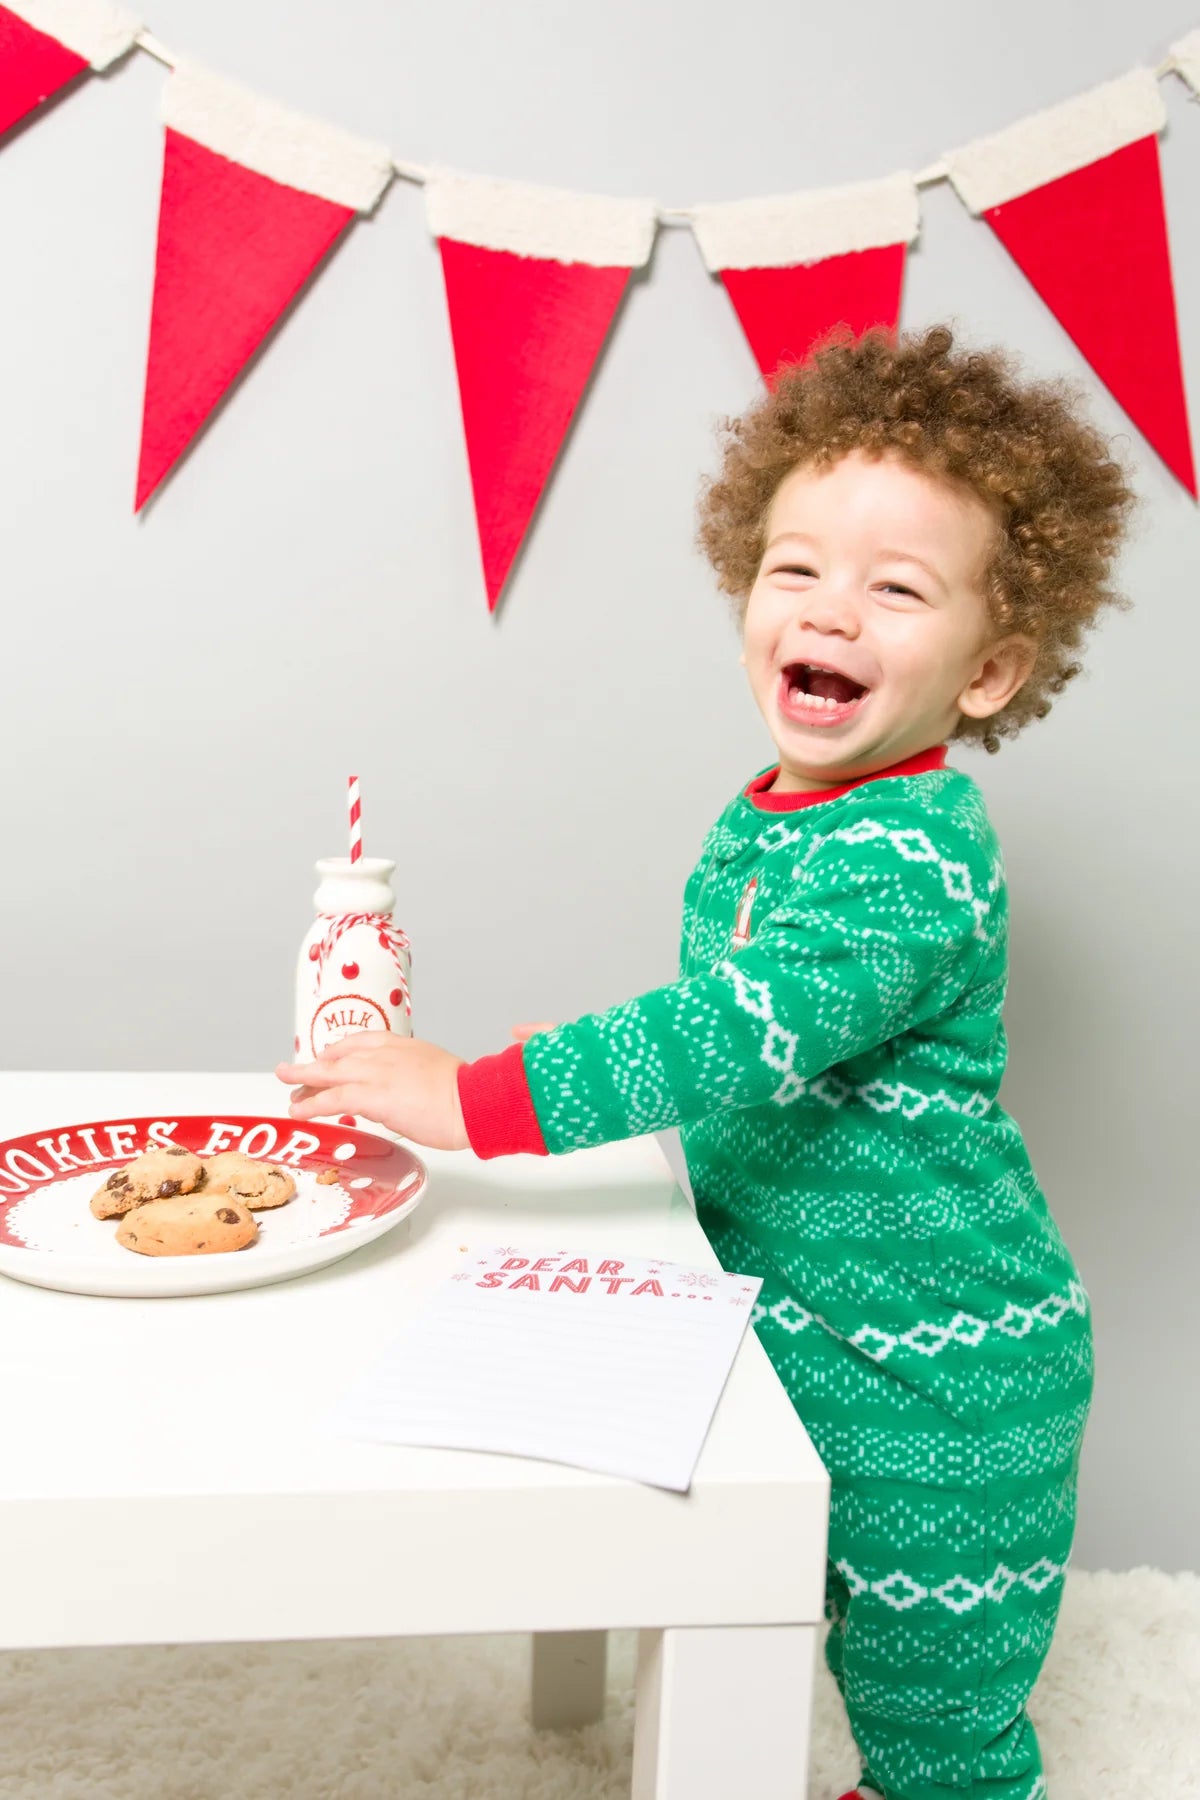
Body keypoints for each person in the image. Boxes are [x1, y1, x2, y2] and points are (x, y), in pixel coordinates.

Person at [276, 321, 1138, 1800]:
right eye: (796, 569)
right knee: (751, 1568)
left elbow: (729, 1033)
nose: (832, 609)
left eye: (896, 588)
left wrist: (477, 1097)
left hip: (941, 1360)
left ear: (990, 671)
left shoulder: (914, 862)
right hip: (782, 1304)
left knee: (933, 1707)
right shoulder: (773, 811)